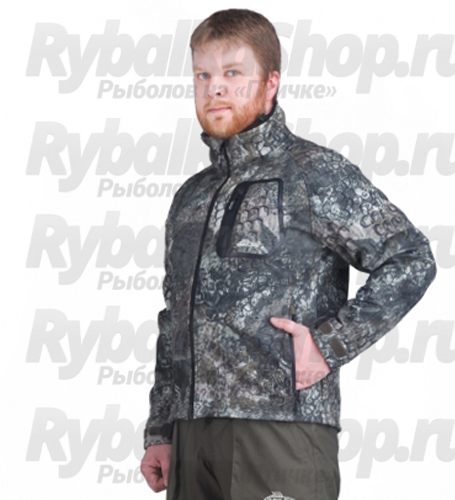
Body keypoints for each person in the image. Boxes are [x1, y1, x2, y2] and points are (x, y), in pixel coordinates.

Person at [140, 9, 437, 500]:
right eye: (203, 75)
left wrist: (329, 343)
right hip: (192, 439)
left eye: (233, 73)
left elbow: (410, 258)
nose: (215, 88)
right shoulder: (191, 197)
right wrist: (162, 431)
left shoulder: (313, 174)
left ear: (270, 83)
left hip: (280, 431)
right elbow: (175, 319)